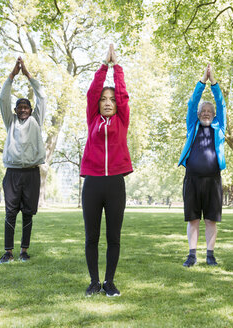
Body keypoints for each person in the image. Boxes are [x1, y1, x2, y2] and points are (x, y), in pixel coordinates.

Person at [80, 44, 133, 297]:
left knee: (114, 236)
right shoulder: (92, 118)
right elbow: (92, 92)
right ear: (98, 104)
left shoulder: (122, 120)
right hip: (92, 183)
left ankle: (109, 283)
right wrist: (104, 66)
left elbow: (123, 95)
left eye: (112, 99)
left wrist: (117, 67)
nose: (108, 102)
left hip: (115, 184)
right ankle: (93, 282)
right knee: (92, 237)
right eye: (104, 99)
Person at [0, 57, 46, 264]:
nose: (24, 109)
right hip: (13, 173)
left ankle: (24, 251)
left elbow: (42, 97)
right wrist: (12, 75)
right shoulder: (10, 122)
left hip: (32, 173)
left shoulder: (36, 120)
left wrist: (27, 75)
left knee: (28, 214)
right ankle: (8, 252)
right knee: (10, 213)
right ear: (16, 110)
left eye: (27, 106)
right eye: (20, 107)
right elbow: (3, 98)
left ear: (31, 109)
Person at [178, 63, 226, 267]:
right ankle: (191, 255)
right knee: (193, 219)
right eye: (203, 111)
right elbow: (192, 103)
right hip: (192, 179)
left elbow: (221, 104)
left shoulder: (219, 126)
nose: (206, 113)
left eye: (209, 111)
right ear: (198, 115)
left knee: (210, 220)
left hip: (213, 180)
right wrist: (202, 82)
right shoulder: (192, 125)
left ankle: (210, 255)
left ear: (214, 115)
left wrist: (213, 83)